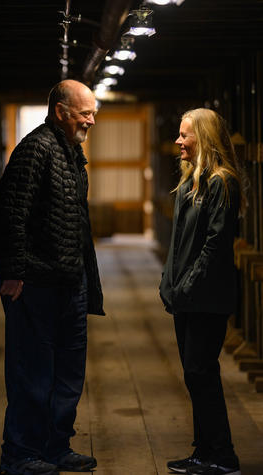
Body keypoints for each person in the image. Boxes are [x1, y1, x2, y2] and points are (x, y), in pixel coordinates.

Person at [0, 79, 105, 475]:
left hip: (70, 285)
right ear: (60, 111)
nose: (91, 121)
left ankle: (56, 446)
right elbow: (9, 215)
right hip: (36, 284)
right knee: (32, 373)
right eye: (84, 113)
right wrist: (13, 273)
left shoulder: (72, 154)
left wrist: (86, 280)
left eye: (93, 113)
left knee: (68, 374)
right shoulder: (35, 150)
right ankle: (20, 453)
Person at [160, 108, 246, 475]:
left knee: (202, 372)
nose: (178, 141)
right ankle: (203, 451)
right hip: (185, 297)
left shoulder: (221, 182)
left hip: (206, 298)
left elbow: (214, 245)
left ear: (204, 138)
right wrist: (168, 281)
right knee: (193, 374)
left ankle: (224, 456)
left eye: (185, 135)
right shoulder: (189, 181)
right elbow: (179, 242)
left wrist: (187, 287)